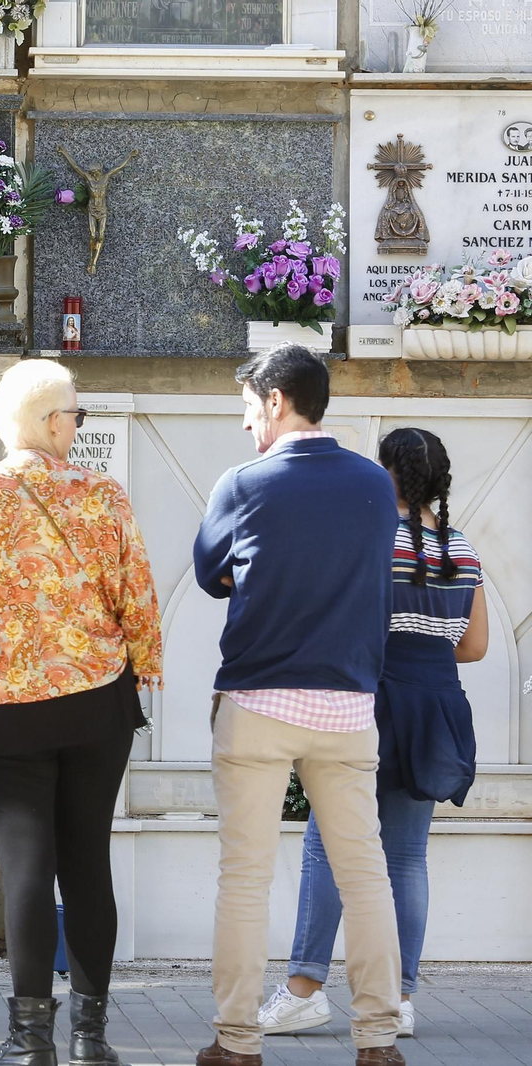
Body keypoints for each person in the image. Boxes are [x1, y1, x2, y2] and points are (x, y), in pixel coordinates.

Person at [0, 359, 162, 1066]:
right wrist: (141, 662)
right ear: (54, 422)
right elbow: (138, 596)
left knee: (26, 863)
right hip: (96, 701)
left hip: (5, 702)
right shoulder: (104, 495)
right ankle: (91, 1039)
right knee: (89, 862)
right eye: (76, 416)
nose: (77, 427)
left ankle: (30, 1044)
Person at [192, 345, 405, 1066]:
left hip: (258, 697)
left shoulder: (245, 482)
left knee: (245, 878)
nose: (248, 426)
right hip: (348, 703)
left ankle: (237, 1041)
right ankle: (378, 1041)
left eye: (251, 410)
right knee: (365, 874)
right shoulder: (376, 484)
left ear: (277, 401)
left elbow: (211, 576)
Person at [259, 428, 487, 1042]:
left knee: (327, 843)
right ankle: (400, 998)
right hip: (436, 706)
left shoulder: (369, 538)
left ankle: (305, 989)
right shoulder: (461, 548)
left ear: (386, 474)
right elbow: (476, 645)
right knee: (408, 857)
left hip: (368, 698)